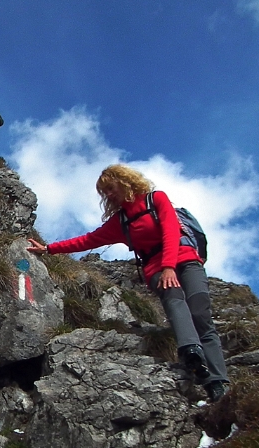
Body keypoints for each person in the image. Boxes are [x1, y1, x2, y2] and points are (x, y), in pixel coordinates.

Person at [26, 164, 230, 402]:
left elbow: (171, 231)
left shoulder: (156, 199)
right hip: (154, 267)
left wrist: (169, 267)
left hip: (184, 258)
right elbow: (88, 240)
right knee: (174, 299)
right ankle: (191, 351)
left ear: (126, 182)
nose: (109, 195)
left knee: (199, 310)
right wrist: (49, 249)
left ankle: (218, 382)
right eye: (105, 193)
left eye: (111, 189)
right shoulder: (120, 222)